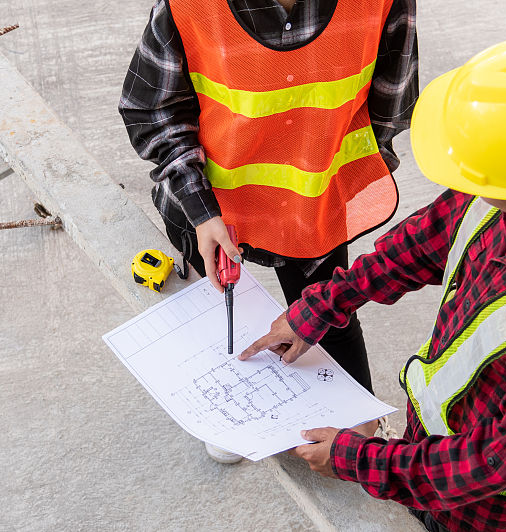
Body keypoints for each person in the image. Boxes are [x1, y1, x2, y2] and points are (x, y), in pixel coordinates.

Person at [239, 38, 506, 531]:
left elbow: (492, 463)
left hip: (482, 511)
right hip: (426, 450)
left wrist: (359, 459)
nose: (468, 184)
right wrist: (320, 307)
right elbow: (417, 246)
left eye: (480, 175)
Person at [119, 0, 418, 463]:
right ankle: (235, 418)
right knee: (224, 311)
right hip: (213, 206)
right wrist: (198, 207)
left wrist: (329, 177)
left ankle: (354, 423)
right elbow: (151, 109)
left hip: (311, 201)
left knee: (324, 315)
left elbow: (389, 106)